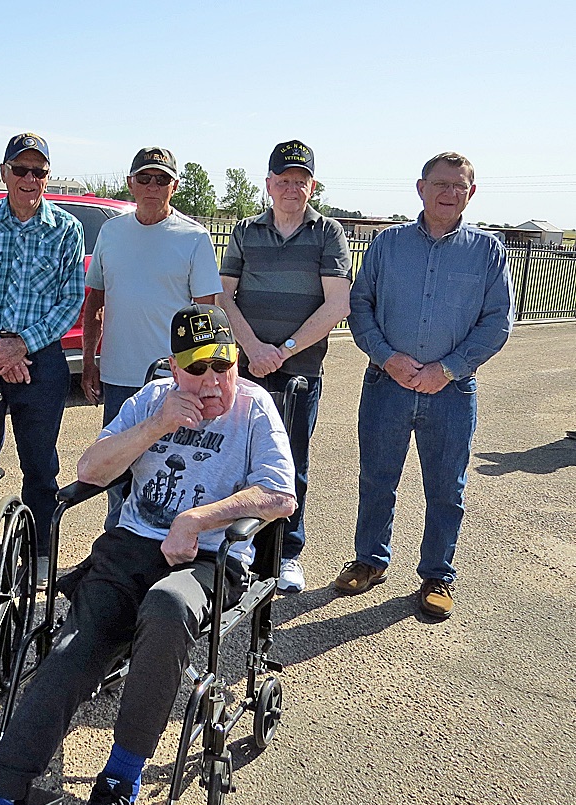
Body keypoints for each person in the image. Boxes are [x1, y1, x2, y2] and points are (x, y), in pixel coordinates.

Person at [0, 304, 295, 805]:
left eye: (222, 365)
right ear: (174, 365)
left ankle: (122, 776)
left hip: (208, 558)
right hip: (130, 548)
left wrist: (197, 520)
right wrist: (156, 427)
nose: (211, 382)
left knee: (166, 606)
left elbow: (280, 495)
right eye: (197, 368)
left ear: (236, 362)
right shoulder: (153, 400)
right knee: (75, 648)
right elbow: (90, 470)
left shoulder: (254, 409)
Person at [337, 151, 513, 619]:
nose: (449, 193)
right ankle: (369, 561)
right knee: (377, 479)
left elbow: (497, 322)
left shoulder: (488, 252)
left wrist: (448, 368)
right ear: (420, 187)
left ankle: (437, 575)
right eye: (440, 183)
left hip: (452, 393)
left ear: (471, 193)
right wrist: (387, 357)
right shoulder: (386, 245)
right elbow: (360, 305)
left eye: (459, 186)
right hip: (386, 385)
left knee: (446, 488)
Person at [218, 139, 352, 593]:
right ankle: (240, 549)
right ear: (269, 184)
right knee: (238, 456)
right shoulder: (244, 231)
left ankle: (286, 553)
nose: (291, 187)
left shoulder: (328, 233)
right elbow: (223, 297)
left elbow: (337, 304)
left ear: (311, 186)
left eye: (301, 180)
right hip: (247, 364)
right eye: (284, 179)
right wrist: (253, 347)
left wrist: (285, 349)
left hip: (300, 372)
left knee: (290, 464)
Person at [0, 132, 85, 580]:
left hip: (40, 357)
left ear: (47, 176)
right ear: (5, 171)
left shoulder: (66, 229)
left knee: (40, 461)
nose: (29, 179)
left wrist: (21, 345)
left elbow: (69, 302)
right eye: (20, 169)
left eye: (39, 171)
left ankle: (40, 550)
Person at [81, 146, 221, 529]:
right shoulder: (111, 232)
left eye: (161, 179)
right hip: (119, 375)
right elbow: (95, 300)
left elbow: (205, 314)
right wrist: (89, 362)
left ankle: (165, 543)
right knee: (118, 467)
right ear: (131, 183)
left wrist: (201, 376)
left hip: (171, 379)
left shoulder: (194, 237)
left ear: (174, 186)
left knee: (171, 468)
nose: (152, 186)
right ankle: (116, 540)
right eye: (144, 178)